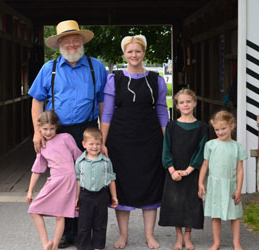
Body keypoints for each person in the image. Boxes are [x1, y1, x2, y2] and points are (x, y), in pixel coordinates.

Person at [28, 20, 108, 248]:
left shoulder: (96, 67)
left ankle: (84, 231)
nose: (72, 45)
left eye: (75, 40)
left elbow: (103, 103)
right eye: (67, 41)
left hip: (87, 128)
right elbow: (37, 101)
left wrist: (102, 136)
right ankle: (67, 233)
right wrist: (37, 131)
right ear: (59, 45)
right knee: (63, 181)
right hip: (58, 130)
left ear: (81, 42)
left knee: (86, 179)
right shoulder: (48, 69)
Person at [100, 35, 168, 249]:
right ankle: (123, 235)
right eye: (130, 52)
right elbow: (108, 113)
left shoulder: (157, 80)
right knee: (123, 188)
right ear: (124, 54)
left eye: (137, 51)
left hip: (150, 139)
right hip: (120, 140)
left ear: (144, 53)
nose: (134, 55)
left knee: (151, 186)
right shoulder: (114, 79)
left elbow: (162, 111)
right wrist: (103, 141)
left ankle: (149, 235)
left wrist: (168, 140)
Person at [158, 89, 207, 250]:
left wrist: (187, 171)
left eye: (188, 101)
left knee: (191, 204)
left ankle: (188, 236)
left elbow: (201, 152)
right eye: (181, 102)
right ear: (177, 106)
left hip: (191, 172)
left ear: (194, 103)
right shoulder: (171, 126)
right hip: (173, 171)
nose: (185, 105)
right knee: (175, 204)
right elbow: (166, 149)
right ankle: (178, 238)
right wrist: (172, 170)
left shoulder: (202, 127)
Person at [27, 111, 82, 250]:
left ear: (56, 126)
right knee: (34, 209)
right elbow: (37, 170)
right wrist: (30, 191)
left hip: (68, 179)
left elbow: (78, 156)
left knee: (60, 215)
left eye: (52, 128)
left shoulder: (66, 138)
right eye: (45, 129)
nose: (48, 132)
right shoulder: (42, 145)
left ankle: (55, 246)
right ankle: (46, 242)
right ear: (39, 128)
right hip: (54, 181)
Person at [198, 110, 247, 250]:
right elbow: (205, 164)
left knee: (235, 216)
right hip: (215, 186)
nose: (220, 132)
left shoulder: (237, 147)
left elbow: (240, 170)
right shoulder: (210, 145)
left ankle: (236, 242)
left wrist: (239, 189)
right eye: (217, 129)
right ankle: (216, 242)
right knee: (216, 215)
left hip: (231, 185)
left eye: (223, 128)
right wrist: (200, 183)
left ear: (232, 126)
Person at [75, 127, 118, 250]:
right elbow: (78, 181)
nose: (95, 147)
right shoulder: (80, 162)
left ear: (101, 144)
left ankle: (98, 246)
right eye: (91, 144)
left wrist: (114, 196)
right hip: (85, 195)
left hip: (101, 195)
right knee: (84, 224)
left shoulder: (106, 162)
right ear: (84, 144)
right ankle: (84, 246)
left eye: (98, 144)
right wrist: (76, 198)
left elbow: (111, 179)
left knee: (100, 224)